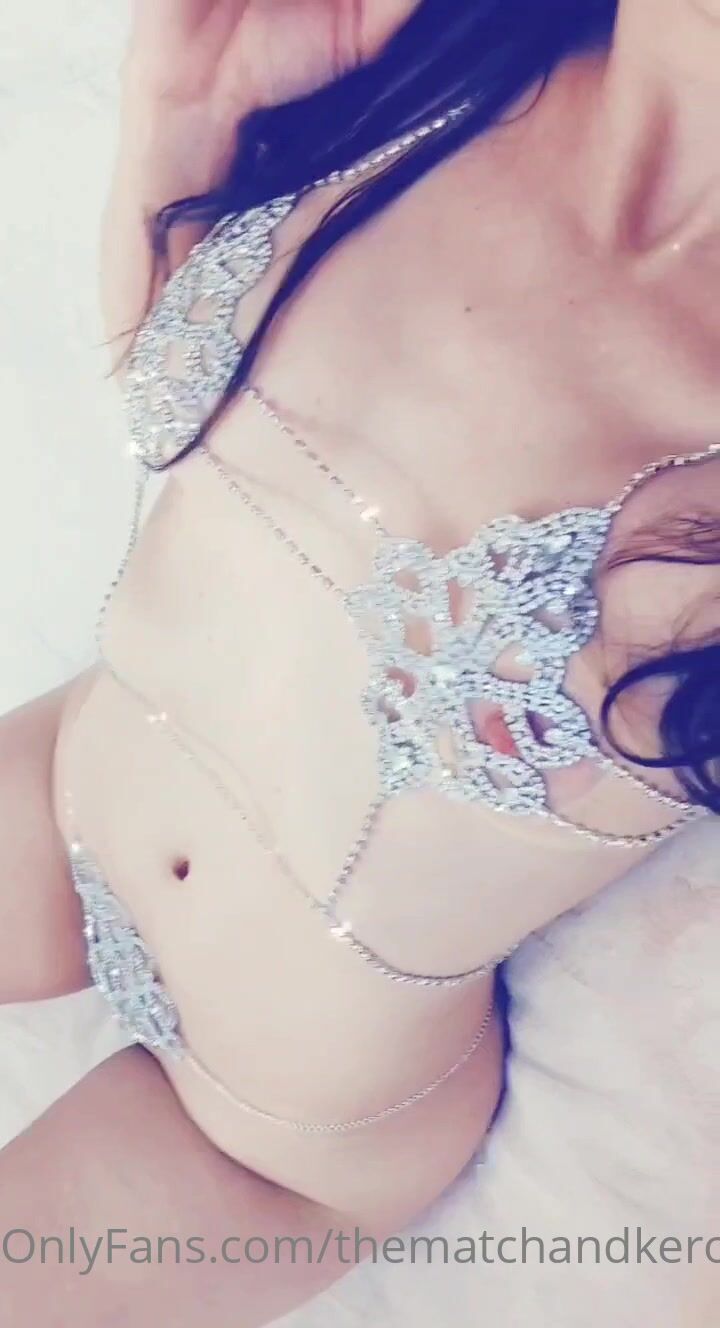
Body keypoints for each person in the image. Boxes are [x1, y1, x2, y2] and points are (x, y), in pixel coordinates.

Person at [0, 0, 718, 1323]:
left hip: (273, 1125)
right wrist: (178, 118)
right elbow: (174, 414)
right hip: (71, 782)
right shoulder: (425, 48)